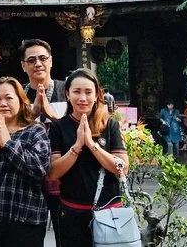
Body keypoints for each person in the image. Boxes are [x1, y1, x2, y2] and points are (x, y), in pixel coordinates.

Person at [47, 68, 129, 247]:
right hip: (72, 211)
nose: (82, 98)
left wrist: (92, 145)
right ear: (67, 94)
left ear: (96, 95)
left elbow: (122, 168)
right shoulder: (58, 128)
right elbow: (53, 173)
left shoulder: (109, 125)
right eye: (76, 92)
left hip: (109, 211)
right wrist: (77, 146)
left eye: (88, 92)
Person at [0, 77, 50, 247]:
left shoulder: (35, 131)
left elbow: (40, 169)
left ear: (21, 102)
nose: (3, 103)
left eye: (9, 98)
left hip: (27, 220)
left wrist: (8, 144)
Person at [19, 38, 66, 247]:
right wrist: (34, 114)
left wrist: (52, 116)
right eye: (31, 60)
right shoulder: (18, 95)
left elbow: (77, 127)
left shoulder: (67, 89)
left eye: (42, 58)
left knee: (65, 235)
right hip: (29, 176)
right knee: (30, 238)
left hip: (62, 174)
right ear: (23, 65)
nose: (37, 63)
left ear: (51, 61)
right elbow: (11, 132)